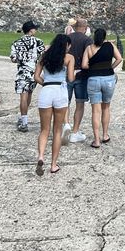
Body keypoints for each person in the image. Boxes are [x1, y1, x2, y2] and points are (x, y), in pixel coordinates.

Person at [34, 34, 74, 175]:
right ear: (67, 45)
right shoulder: (68, 58)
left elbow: (36, 76)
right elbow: (70, 78)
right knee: (57, 130)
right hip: (60, 91)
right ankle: (53, 164)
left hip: (46, 90)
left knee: (44, 130)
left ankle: (40, 156)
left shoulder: (44, 57)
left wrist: (45, 83)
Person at [82, 28, 122, 147]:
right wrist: (110, 67)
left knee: (96, 110)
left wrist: (93, 68)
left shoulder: (89, 48)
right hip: (108, 78)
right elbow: (119, 58)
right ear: (104, 37)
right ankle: (105, 135)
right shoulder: (110, 45)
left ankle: (96, 140)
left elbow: (84, 65)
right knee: (106, 107)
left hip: (94, 79)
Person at [9, 20, 46, 132]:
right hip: (33, 72)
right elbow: (43, 55)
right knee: (29, 94)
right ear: (31, 30)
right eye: (35, 28)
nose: (36, 30)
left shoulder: (16, 43)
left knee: (23, 96)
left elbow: (13, 59)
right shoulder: (38, 42)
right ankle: (23, 117)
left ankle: (24, 121)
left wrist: (22, 59)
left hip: (22, 72)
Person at [64, 18, 93, 143]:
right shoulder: (87, 40)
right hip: (82, 74)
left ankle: (65, 124)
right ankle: (75, 131)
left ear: (74, 27)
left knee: (66, 102)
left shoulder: (68, 37)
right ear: (85, 28)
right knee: (80, 103)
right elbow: (90, 55)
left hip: (67, 73)